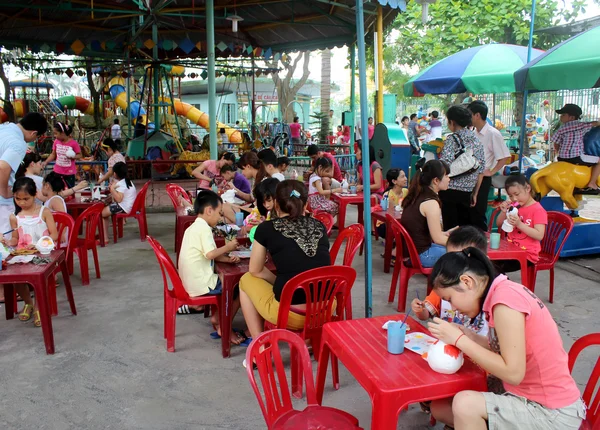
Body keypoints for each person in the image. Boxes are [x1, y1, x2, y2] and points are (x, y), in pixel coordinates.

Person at [427, 248, 585, 430]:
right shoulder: (499, 293)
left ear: (467, 281)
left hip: (551, 412)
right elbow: (505, 349)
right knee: (440, 407)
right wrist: (469, 336)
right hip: (522, 395)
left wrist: (460, 340)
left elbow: (513, 373)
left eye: (450, 298)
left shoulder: (505, 302)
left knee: (465, 405)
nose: (453, 307)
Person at [239, 181, 331, 366]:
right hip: (326, 308)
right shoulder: (319, 226)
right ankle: (308, 341)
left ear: (276, 203)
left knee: (245, 280)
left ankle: (261, 350)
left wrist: (277, 281)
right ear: (305, 204)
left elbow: (255, 269)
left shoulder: (266, 228)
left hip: (291, 313)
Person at [177, 190, 248, 345]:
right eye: (219, 213)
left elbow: (208, 254)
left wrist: (226, 259)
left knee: (227, 279)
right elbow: (210, 254)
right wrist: (228, 247)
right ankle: (224, 326)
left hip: (191, 281)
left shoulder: (194, 227)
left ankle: (218, 319)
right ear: (209, 210)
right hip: (201, 283)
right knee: (239, 287)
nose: (220, 217)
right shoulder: (203, 229)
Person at [0, 113, 48, 302]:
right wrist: (4, 191)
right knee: (5, 243)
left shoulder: (4, 128)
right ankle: (4, 291)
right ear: (34, 133)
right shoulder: (18, 143)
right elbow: (3, 167)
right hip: (2, 202)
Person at [411, 226, 489, 335]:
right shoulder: (444, 286)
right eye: (452, 259)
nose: (457, 266)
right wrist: (420, 309)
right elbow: (426, 313)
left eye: (464, 260)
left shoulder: (494, 298)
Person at [5, 177, 58, 327]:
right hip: (23, 253)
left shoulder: (44, 212)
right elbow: (15, 238)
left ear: (35, 194)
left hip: (43, 253)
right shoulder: (15, 217)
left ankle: (38, 306)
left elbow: (54, 235)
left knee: (42, 275)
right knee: (15, 275)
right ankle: (28, 302)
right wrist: (9, 242)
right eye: (17, 199)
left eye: (26, 199)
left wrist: (41, 244)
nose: (21, 202)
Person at [438, 105, 486, 231]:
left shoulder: (451, 139)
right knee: (463, 231)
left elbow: (444, 166)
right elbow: (480, 171)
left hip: (449, 192)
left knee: (451, 230)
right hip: (467, 193)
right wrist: (475, 193)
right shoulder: (476, 140)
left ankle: (452, 250)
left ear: (452, 122)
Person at [400, 159, 454, 267]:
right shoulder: (431, 202)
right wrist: (464, 244)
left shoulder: (418, 195)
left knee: (456, 249)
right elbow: (437, 239)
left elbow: (426, 232)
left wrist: (446, 235)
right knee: (464, 255)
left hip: (413, 252)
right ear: (436, 180)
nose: (449, 179)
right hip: (421, 255)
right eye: (446, 175)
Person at [468, 101, 511, 228]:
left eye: (469, 114)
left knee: (478, 211)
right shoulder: (473, 132)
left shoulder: (493, 133)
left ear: (477, 115)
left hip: (482, 177)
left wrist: (491, 171)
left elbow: (504, 157)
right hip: (470, 176)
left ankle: (480, 238)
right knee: (469, 211)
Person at [495, 174, 547, 272]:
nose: (514, 199)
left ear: (528, 188)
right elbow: (499, 224)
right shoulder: (515, 207)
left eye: (517, 194)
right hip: (510, 249)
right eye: (510, 196)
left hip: (527, 254)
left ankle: (504, 285)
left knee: (495, 268)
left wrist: (519, 224)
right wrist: (503, 211)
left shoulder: (537, 210)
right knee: (487, 261)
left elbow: (539, 235)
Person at [550, 103, 600, 190]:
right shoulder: (581, 125)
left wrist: (559, 153)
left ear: (572, 117)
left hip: (562, 158)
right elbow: (594, 123)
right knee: (599, 161)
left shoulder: (561, 129)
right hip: (577, 158)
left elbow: (556, 143)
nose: (561, 117)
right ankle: (592, 183)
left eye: (563, 115)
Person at [101, 162, 137, 241]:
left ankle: (105, 238)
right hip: (130, 206)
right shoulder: (127, 181)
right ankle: (105, 237)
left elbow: (119, 199)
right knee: (106, 210)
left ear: (115, 174)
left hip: (124, 207)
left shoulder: (121, 184)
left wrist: (112, 189)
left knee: (102, 213)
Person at [42, 122, 82, 188]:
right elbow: (53, 154)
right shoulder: (56, 142)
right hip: (57, 171)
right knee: (57, 189)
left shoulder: (73, 143)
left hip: (69, 173)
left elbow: (80, 155)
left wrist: (73, 156)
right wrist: (45, 162)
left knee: (69, 191)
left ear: (63, 133)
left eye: (56, 133)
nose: (54, 135)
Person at [375, 168, 408, 239]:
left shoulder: (406, 192)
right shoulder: (388, 195)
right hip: (385, 224)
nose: (406, 179)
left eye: (405, 176)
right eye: (402, 177)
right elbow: (389, 216)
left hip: (400, 221)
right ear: (394, 181)